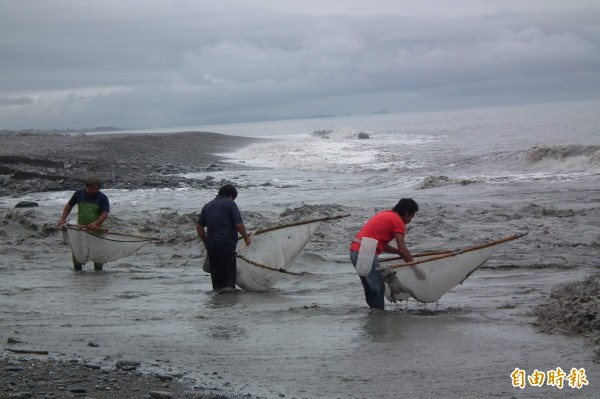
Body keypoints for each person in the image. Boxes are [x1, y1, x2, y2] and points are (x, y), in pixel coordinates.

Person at [349, 198, 423, 310]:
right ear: (407, 212)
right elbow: (403, 250)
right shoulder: (398, 222)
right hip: (366, 253)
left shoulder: (385, 214)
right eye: (412, 216)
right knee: (377, 288)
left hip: (355, 252)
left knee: (370, 288)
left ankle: (374, 314)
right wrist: (417, 270)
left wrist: (398, 252)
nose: (411, 220)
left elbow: (381, 244)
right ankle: (379, 317)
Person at [196, 184, 251, 292]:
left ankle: (218, 304)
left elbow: (199, 227)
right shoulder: (230, 204)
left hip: (212, 246)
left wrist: (206, 243)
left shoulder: (207, 206)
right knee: (228, 281)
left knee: (217, 281)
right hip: (226, 245)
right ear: (231, 196)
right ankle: (228, 304)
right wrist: (246, 238)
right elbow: (239, 225)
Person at [58, 176, 110, 271]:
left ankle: (99, 277)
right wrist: (63, 219)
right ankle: (78, 275)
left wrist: (96, 224)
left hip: (96, 231)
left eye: (97, 189)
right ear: (86, 186)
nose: (94, 191)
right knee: (78, 253)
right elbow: (69, 206)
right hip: (80, 230)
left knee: (98, 255)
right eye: (92, 189)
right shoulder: (79, 194)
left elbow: (105, 214)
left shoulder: (102, 198)